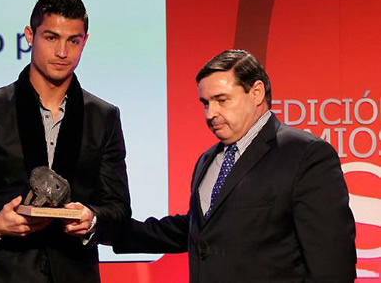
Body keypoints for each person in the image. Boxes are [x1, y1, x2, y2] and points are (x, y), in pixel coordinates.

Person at [0, 0, 131, 283]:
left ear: (85, 41)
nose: (62, 52)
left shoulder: (104, 117)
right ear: (30, 36)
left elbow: (117, 208)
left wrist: (93, 219)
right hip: (1, 274)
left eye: (73, 41)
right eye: (51, 37)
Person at [113, 49, 356, 282]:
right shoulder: (208, 160)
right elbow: (197, 229)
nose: (210, 114)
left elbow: (332, 263)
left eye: (221, 100)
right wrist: (102, 227)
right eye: (206, 103)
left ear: (257, 93)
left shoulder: (306, 154)